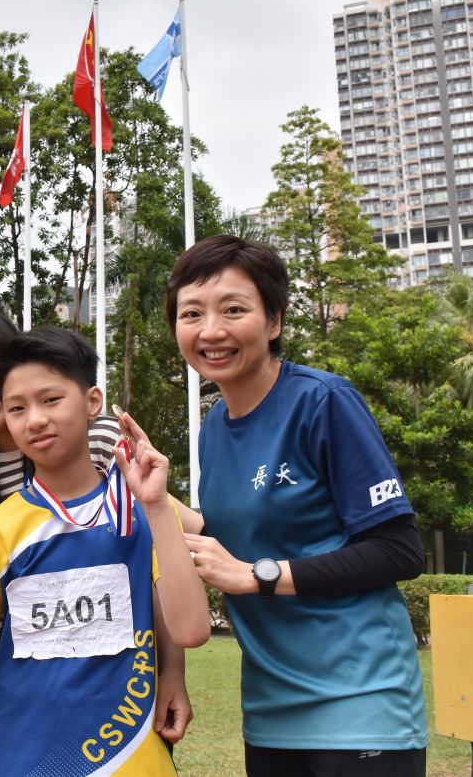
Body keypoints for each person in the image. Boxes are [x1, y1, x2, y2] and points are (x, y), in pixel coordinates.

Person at [154, 234, 427, 776]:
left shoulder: (323, 401)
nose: (211, 330)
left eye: (234, 310)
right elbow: (233, 531)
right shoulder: (215, 427)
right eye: (192, 314)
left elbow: (399, 551)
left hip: (360, 699)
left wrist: (257, 575)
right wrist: (149, 494)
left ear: (274, 321)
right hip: (270, 708)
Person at [0, 307, 194, 774]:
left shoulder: (112, 456)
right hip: (22, 698)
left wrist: (172, 673)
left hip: (121, 696)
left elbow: (168, 555)